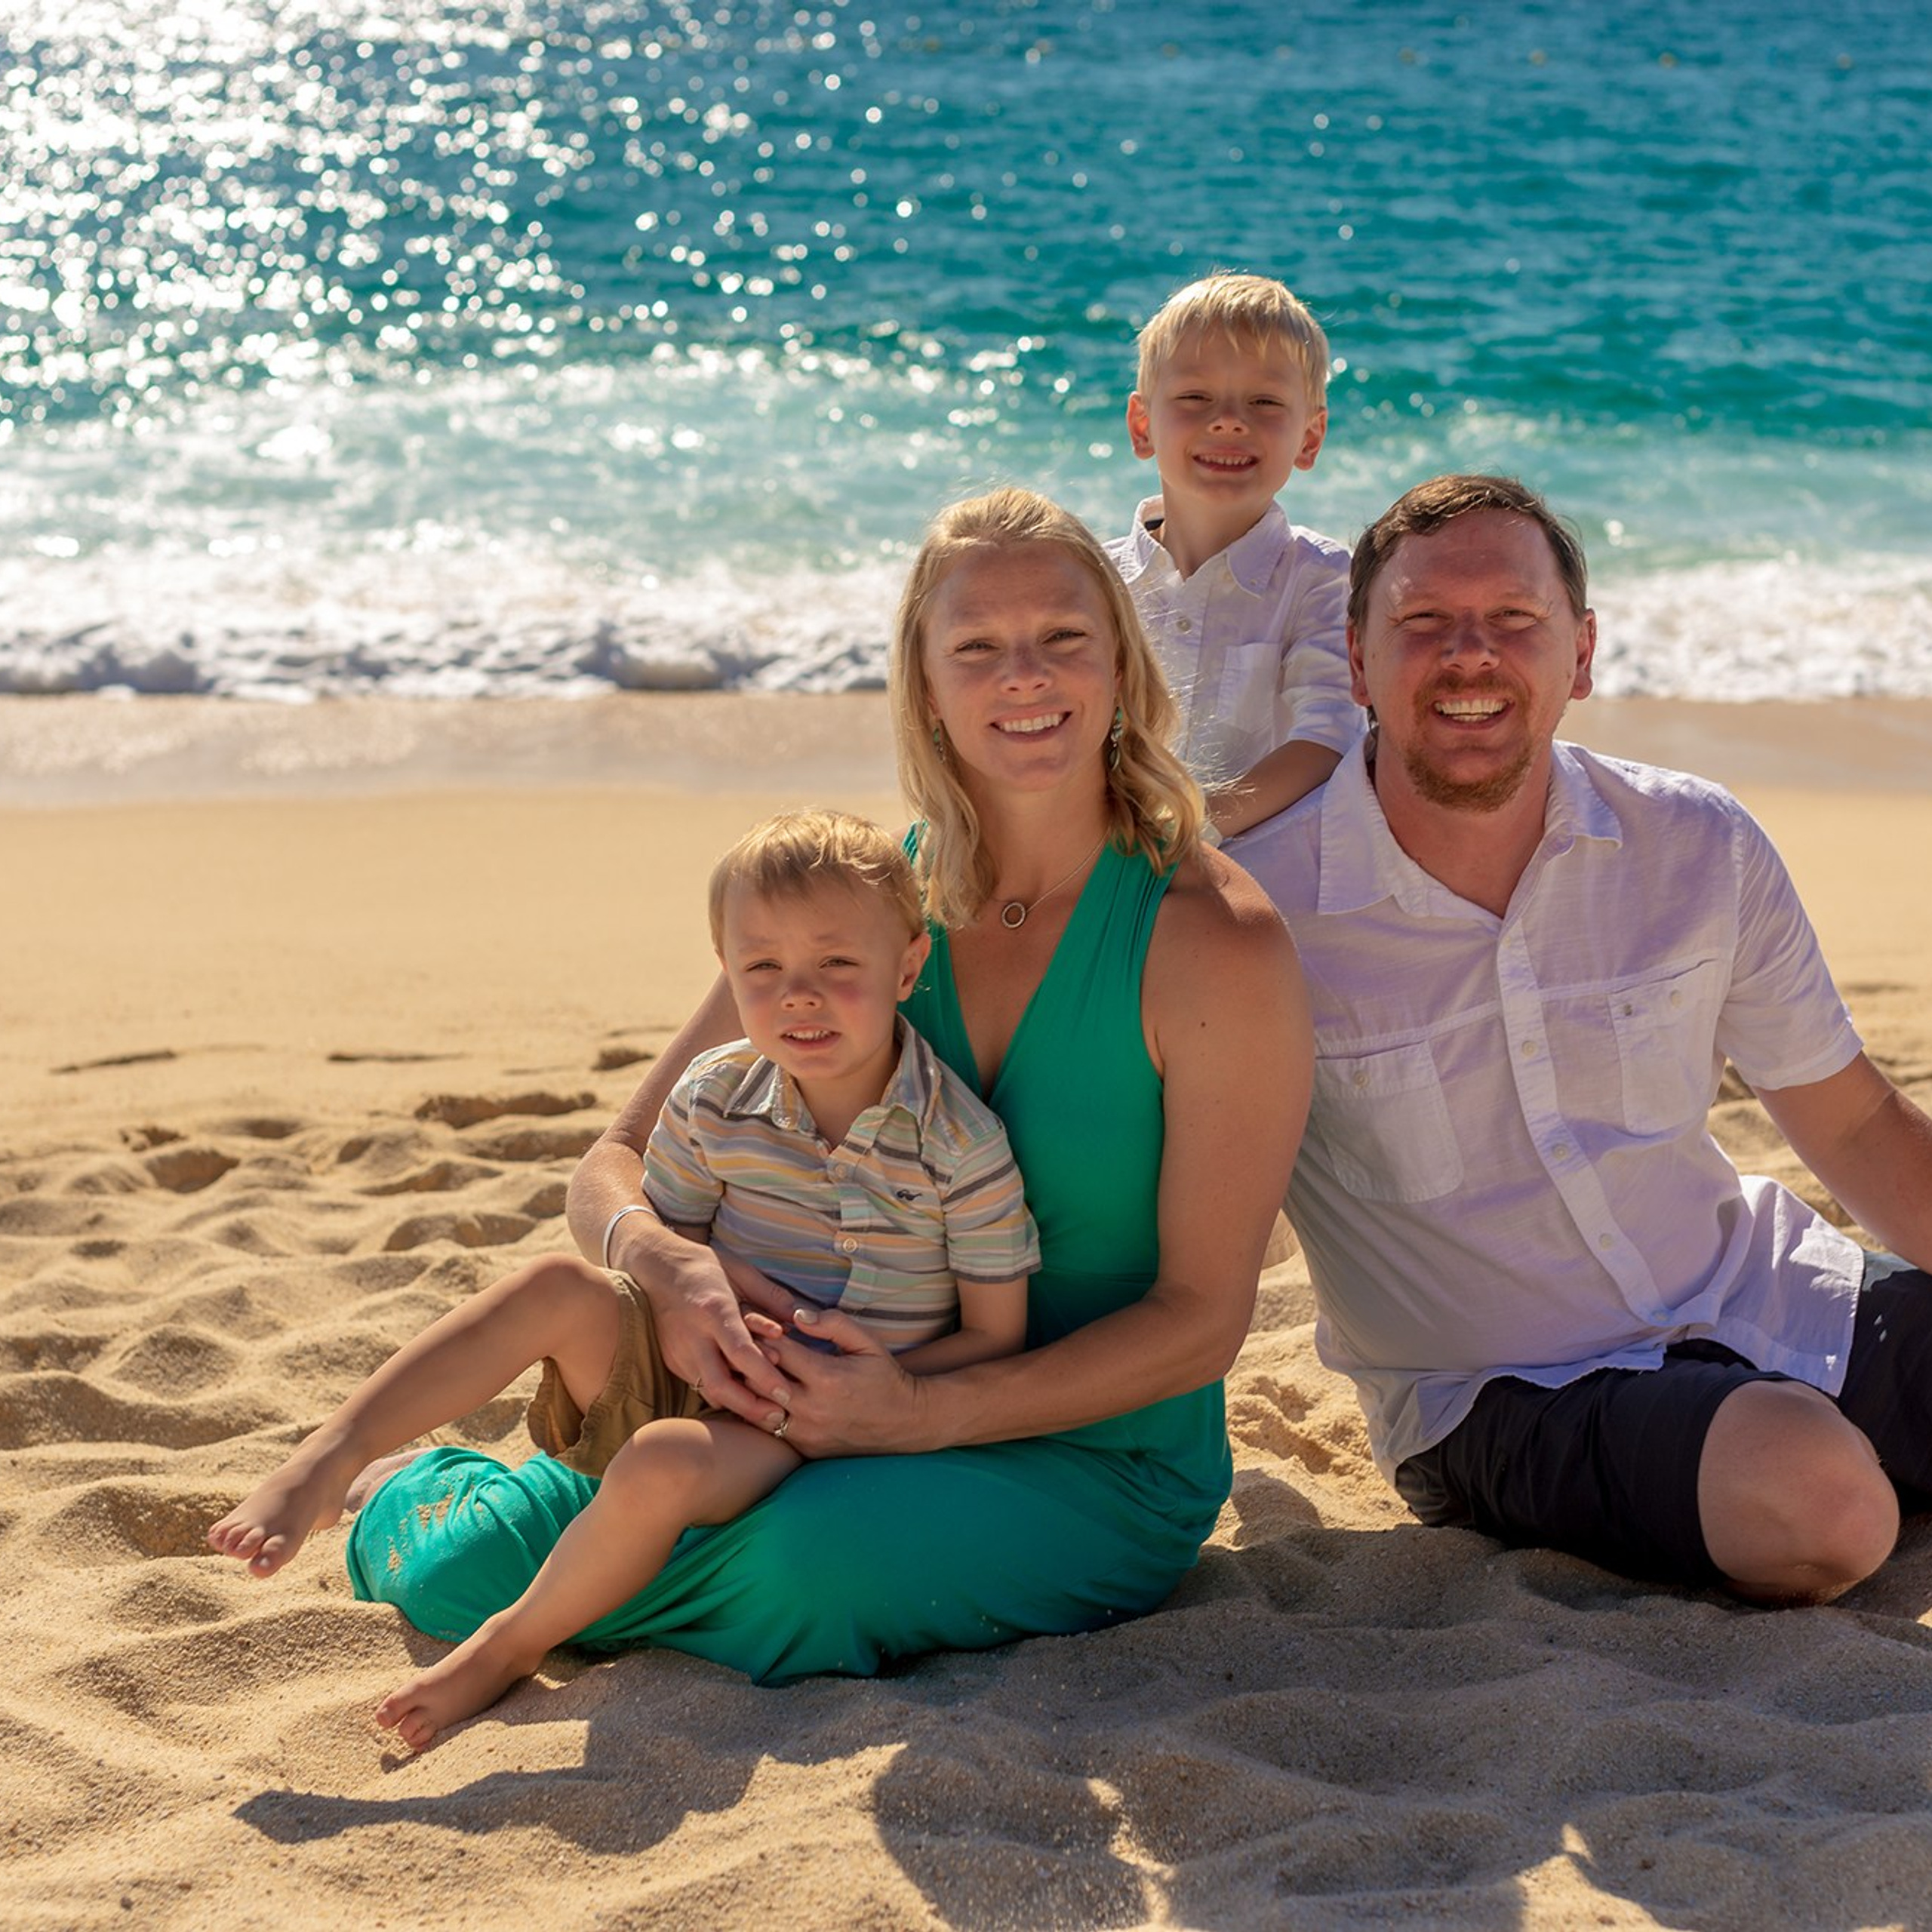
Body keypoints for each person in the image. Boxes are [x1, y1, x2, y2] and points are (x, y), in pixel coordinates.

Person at [325, 486, 1309, 1697]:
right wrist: (665, 1262)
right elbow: (608, 1167)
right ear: (926, 685)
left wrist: (914, 1417)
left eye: (1063, 637)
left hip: (1087, 1455)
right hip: (775, 1419)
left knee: (809, 1574)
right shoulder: (872, 903)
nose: (1026, 676)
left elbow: (1205, 1322)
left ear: (1121, 663)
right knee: (456, 1569)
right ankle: (413, 1493)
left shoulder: (1215, 939)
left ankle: (597, 1577)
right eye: (977, 648)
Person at [1230, 472, 1932, 1604]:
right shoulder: (1261, 918)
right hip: (1502, 1394)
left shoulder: (1698, 844)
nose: (1472, 655)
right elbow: (1193, 1226)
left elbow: (1851, 1121)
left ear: (1583, 654)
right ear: (1358, 660)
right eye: (1424, 625)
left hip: (1763, 1296)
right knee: (1828, 1506)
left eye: (1515, 621)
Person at [208, 809, 1041, 1746]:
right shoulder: (715, 1094)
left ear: (905, 966)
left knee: (660, 1461)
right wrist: (705, 1295)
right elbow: (666, 1251)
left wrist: (885, 1393)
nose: (797, 996)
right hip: (697, 1355)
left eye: (835, 965)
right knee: (553, 1286)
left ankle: (507, 1645)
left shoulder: (959, 1144)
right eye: (761, 969)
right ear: (726, 971)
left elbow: (997, 1335)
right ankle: (329, 1459)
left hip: (816, 1422)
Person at [1106, 270, 1361, 839]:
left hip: (1261, 887)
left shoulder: (1323, 580)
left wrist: (1188, 830)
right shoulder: (1093, 581)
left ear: (1310, 438)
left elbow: (1326, 739)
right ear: (1142, 424)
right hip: (1106, 867)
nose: (1228, 419)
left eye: (1265, 401)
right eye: (1195, 397)